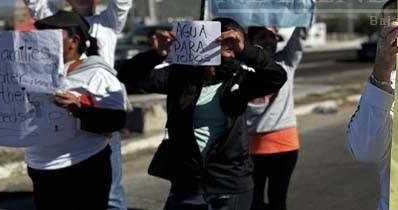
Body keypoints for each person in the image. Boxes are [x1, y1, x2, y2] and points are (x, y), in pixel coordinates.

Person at [0, 0, 142, 210]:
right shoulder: (55, 26)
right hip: (56, 123)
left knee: (110, 192)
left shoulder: (108, 23)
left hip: (99, 116)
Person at [117, 18, 288, 210]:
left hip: (230, 183)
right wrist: (155, 54)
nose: (228, 44)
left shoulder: (240, 78)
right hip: (187, 183)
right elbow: (126, 75)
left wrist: (246, 50)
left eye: (233, 39)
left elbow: (277, 77)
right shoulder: (180, 76)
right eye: (222, 38)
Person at [26, 11, 128, 210]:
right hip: (40, 166)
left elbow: (117, 120)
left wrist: (80, 109)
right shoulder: (29, 73)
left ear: (73, 41)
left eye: (50, 36)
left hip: (83, 165)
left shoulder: (96, 74)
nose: (41, 42)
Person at [246, 0, 320, 210]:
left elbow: (303, 33)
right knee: (253, 202)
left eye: (272, 37)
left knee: (278, 201)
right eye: (261, 37)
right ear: (250, 41)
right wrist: (206, 1)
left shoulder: (285, 61)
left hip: (284, 145)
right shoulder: (241, 68)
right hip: (249, 147)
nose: (268, 42)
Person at [346, 0, 398, 210]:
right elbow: (365, 152)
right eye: (390, 26)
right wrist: (381, 75)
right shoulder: (382, 85)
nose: (397, 32)